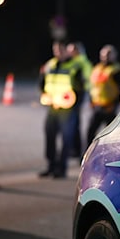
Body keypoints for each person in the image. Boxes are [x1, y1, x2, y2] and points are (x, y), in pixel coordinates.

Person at [38, 40, 85, 178]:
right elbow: (42, 81)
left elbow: (81, 88)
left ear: (67, 50)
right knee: (49, 136)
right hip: (52, 107)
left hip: (67, 110)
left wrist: (76, 106)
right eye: (55, 50)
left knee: (66, 139)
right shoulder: (50, 64)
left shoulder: (75, 66)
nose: (57, 52)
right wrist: (43, 93)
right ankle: (51, 166)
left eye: (60, 50)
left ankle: (61, 169)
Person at [87, 44, 120, 144]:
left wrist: (115, 104)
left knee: (112, 134)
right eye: (104, 54)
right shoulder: (97, 68)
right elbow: (93, 87)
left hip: (110, 107)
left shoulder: (117, 70)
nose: (106, 57)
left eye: (109, 54)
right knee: (90, 132)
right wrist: (91, 101)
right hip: (97, 106)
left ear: (114, 55)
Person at [66, 41, 93, 157]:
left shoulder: (80, 62)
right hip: (73, 93)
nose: (69, 53)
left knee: (74, 121)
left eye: (71, 50)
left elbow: (86, 79)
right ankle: (75, 149)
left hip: (79, 93)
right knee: (74, 122)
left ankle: (76, 150)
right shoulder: (78, 61)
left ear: (77, 51)